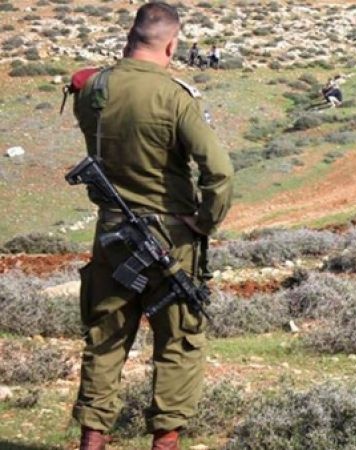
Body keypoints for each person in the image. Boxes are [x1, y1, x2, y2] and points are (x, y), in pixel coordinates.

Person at [70, 3, 234, 450]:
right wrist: (203, 221)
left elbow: (84, 92)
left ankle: (92, 440)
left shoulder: (93, 90)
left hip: (112, 232)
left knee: (105, 338)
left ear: (131, 37)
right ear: (172, 43)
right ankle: (165, 443)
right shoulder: (174, 96)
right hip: (170, 240)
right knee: (177, 343)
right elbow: (219, 172)